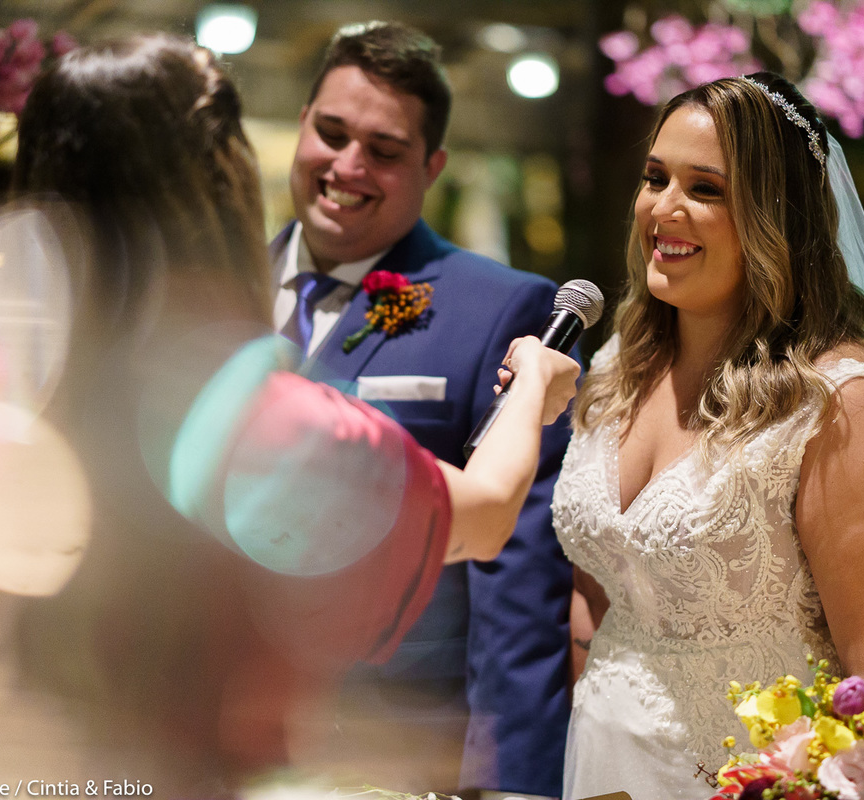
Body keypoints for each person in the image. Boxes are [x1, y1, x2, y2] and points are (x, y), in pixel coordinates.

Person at [0, 34, 578, 792]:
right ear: (221, 180)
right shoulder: (260, 420)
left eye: (384, 148)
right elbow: (485, 512)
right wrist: (532, 382)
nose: (349, 164)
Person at [551, 72, 864, 800]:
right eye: (655, 178)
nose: (663, 208)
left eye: (705, 189)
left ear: (778, 217)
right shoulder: (616, 367)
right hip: (600, 761)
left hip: (748, 779)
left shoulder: (842, 404)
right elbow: (603, 579)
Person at [270, 21, 573, 797]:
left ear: (432, 165)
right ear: (301, 124)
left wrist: (513, 779)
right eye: (331, 133)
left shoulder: (497, 307)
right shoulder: (217, 281)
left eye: (384, 149)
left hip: (393, 751)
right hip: (220, 733)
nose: (348, 165)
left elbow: (519, 576)